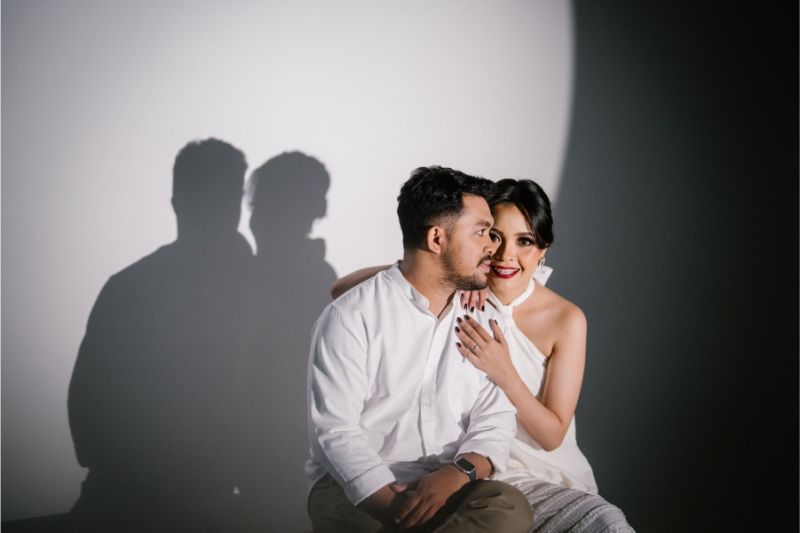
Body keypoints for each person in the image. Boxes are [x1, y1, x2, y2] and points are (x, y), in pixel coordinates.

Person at [331, 179, 635, 532]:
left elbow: (552, 436)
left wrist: (503, 371)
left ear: (543, 249)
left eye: (524, 241)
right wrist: (422, 268)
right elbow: (341, 291)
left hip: (540, 471)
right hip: (467, 470)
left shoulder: (565, 318)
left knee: (607, 524)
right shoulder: (459, 288)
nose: (504, 254)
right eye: (494, 236)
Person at [306, 166, 533, 532]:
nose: (493, 246)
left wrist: (455, 475)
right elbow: (335, 430)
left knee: (509, 509)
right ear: (436, 238)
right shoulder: (351, 316)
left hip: (451, 482)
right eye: (481, 232)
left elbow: (495, 418)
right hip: (360, 489)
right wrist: (399, 509)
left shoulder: (485, 316)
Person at [68, 138, 255, 532]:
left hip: (124, 497)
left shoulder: (127, 286)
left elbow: (85, 410)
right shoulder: (258, 288)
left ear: (175, 202)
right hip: (193, 499)